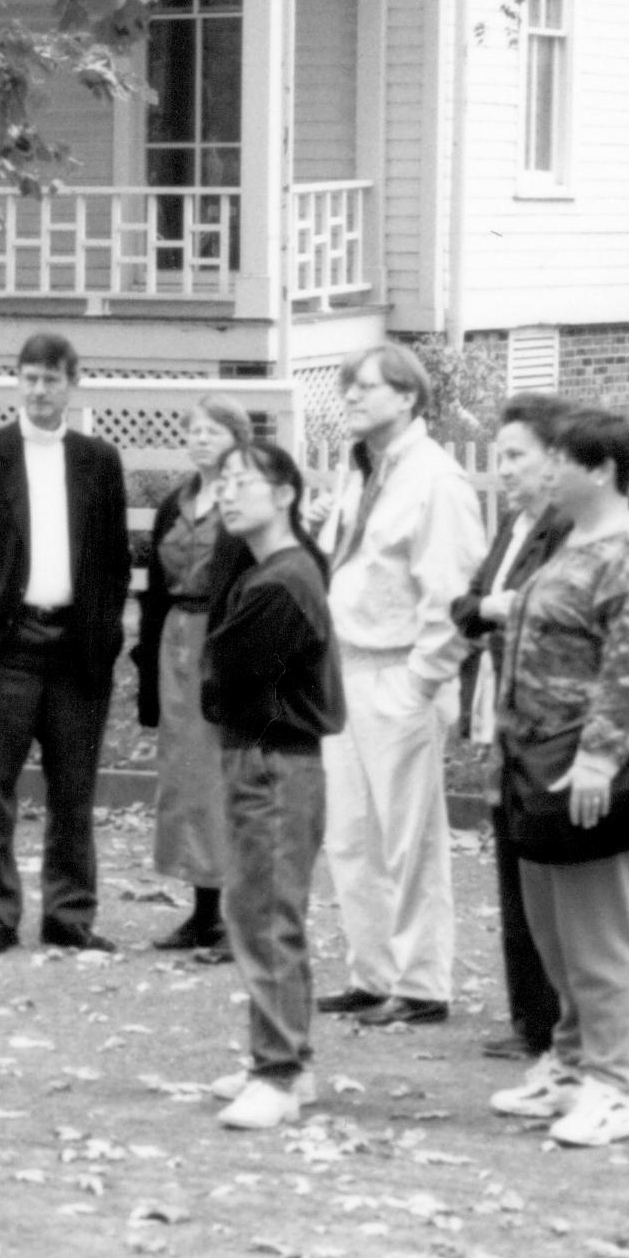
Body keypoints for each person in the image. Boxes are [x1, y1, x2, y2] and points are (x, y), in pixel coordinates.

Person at [488, 408, 629, 1148]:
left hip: (582, 764)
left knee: (598, 937)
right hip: (533, 760)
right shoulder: (571, 538)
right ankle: (567, 1067)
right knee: (553, 933)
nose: (546, 470)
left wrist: (598, 755)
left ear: (600, 470)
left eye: (559, 459)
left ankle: (611, 1087)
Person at [0, 331, 132, 954]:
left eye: (51, 379)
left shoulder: (98, 461)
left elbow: (112, 561)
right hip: (5, 645)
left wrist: (102, 639)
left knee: (74, 788)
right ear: (16, 383)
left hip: (76, 648)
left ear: (72, 384)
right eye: (28, 378)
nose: (39, 390)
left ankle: (70, 913)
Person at [315, 343, 486, 1026]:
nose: (351, 397)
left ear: (408, 397)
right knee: (350, 832)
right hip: (343, 667)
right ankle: (371, 970)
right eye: (347, 386)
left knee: (407, 835)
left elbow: (451, 589)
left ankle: (420, 983)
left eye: (366, 387)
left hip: (396, 670)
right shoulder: (361, 469)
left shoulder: (434, 481)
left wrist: (421, 680)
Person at [197, 439, 346, 1130]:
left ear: (284, 492)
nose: (228, 493)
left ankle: (278, 1070)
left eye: (243, 481)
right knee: (258, 909)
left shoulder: (281, 582)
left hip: (273, 761)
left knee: (265, 915)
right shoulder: (271, 571)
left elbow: (227, 679)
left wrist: (216, 675)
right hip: (265, 757)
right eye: (222, 481)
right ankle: (287, 1057)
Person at [450, 394, 574, 1066]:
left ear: (554, 459)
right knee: (509, 864)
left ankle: (556, 1021)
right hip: (498, 715)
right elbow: (466, 605)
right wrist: (488, 607)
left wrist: (495, 608)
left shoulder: (563, 529)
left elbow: (544, 608)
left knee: (539, 863)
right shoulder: (512, 525)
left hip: (543, 719)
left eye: (515, 455)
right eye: (499, 456)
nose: (503, 469)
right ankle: (529, 1016)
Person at [130, 397, 256, 961]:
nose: (201, 439)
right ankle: (203, 913)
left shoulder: (247, 499)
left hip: (222, 637)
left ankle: (237, 917)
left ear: (237, 438)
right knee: (182, 776)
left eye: (214, 430)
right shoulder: (174, 503)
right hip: (173, 638)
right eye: (194, 430)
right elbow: (155, 585)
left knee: (221, 776)